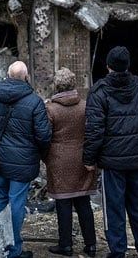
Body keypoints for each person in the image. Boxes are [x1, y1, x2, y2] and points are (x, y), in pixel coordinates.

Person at [83, 46, 138, 258]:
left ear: (108, 66)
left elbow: (94, 130)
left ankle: (117, 251)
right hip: (137, 161)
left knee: (114, 209)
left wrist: (89, 158)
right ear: (127, 65)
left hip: (112, 164)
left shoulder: (99, 92)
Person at [0, 61, 52, 258]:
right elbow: (44, 136)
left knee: (0, 198)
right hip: (24, 160)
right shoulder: (34, 101)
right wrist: (38, 152)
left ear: (7, 74)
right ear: (26, 77)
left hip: (0, 158)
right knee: (17, 202)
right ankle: (13, 250)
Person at [44, 68, 97, 257]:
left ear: (56, 85)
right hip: (82, 158)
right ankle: (91, 244)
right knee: (83, 201)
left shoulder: (50, 109)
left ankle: (65, 245)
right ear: (74, 84)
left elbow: (45, 136)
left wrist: (45, 157)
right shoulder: (85, 106)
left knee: (63, 202)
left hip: (59, 160)